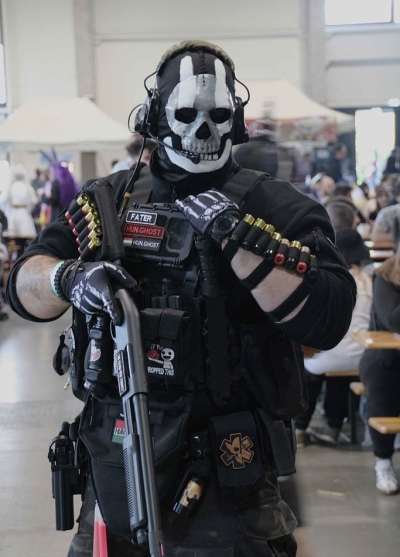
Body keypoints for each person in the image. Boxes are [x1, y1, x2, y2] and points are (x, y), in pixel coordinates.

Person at [7, 40, 356, 557]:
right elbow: (22, 283)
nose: (203, 130)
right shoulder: (109, 201)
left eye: (218, 115)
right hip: (115, 462)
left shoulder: (279, 207)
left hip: (230, 475)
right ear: (155, 116)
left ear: (236, 119)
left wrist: (240, 240)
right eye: (187, 114)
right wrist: (69, 278)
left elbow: (329, 318)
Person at [295, 221, 372, 446]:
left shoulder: (325, 278)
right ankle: (334, 427)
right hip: (359, 355)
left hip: (324, 352)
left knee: (311, 372)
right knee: (341, 375)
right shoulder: (369, 281)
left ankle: (299, 428)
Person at [359, 244, 400, 494]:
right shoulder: (385, 275)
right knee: (382, 384)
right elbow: (393, 320)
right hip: (386, 358)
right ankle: (383, 461)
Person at [1, 163, 37, 239]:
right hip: (24, 213)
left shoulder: (10, 187)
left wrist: (7, 210)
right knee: (26, 236)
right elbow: (34, 201)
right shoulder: (27, 187)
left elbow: (3, 200)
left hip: (13, 213)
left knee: (12, 237)